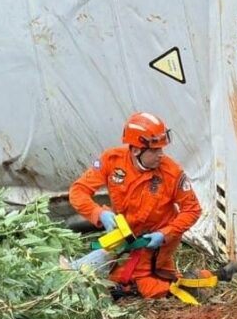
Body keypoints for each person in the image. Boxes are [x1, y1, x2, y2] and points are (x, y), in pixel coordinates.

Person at [69, 112, 202, 299]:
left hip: (154, 245)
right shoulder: (112, 160)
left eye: (161, 149)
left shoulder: (171, 173)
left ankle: (193, 282)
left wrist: (164, 234)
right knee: (97, 274)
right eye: (155, 150)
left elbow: (193, 210)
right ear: (136, 150)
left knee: (134, 285)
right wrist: (99, 214)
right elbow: (78, 191)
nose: (161, 155)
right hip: (124, 239)